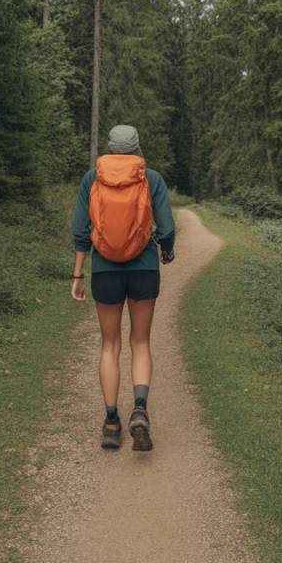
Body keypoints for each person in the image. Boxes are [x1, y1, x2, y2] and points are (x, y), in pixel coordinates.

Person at [71, 125, 175, 451]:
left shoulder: (92, 179)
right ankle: (140, 410)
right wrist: (165, 249)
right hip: (143, 268)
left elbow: (80, 230)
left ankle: (111, 422)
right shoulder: (151, 178)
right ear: (137, 148)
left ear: (110, 148)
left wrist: (77, 275)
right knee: (140, 341)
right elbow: (167, 227)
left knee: (109, 345)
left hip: (104, 270)